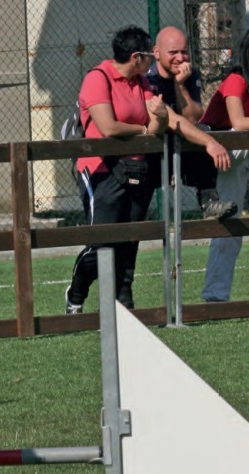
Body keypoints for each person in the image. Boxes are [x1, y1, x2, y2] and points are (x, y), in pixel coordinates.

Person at [65, 26, 169, 313]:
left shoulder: (142, 82)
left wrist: (159, 119)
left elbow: (155, 125)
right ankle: (76, 294)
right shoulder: (97, 79)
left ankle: (124, 307)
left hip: (137, 169)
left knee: (128, 244)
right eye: (150, 55)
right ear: (136, 57)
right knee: (102, 245)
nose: (153, 61)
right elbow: (108, 127)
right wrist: (143, 129)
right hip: (100, 170)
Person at [146, 26, 235, 219]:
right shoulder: (147, 78)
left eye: (184, 52)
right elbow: (169, 119)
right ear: (156, 53)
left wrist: (179, 85)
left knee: (203, 131)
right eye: (173, 52)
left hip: (182, 143)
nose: (180, 58)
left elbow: (193, 118)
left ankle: (208, 200)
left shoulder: (190, 75)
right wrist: (209, 142)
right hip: (149, 151)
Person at [198, 26, 249, 302]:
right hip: (217, 153)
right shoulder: (237, 79)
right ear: (247, 53)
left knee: (231, 230)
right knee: (227, 227)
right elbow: (238, 122)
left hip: (242, 153)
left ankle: (215, 296)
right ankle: (215, 295)